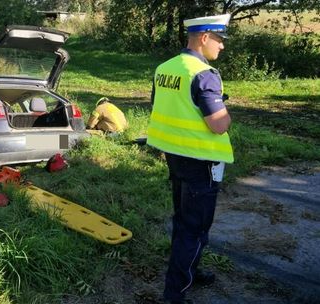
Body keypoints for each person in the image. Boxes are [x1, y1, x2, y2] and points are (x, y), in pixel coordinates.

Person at [146, 14, 234, 304]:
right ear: (205, 37)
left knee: (183, 221)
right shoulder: (204, 74)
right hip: (201, 163)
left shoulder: (164, 68)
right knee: (194, 230)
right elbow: (218, 124)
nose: (222, 47)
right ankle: (175, 294)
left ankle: (188, 273)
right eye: (219, 40)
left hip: (175, 157)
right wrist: (226, 112)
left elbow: (162, 105)